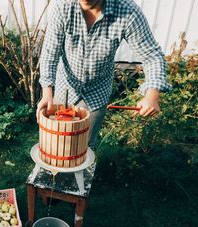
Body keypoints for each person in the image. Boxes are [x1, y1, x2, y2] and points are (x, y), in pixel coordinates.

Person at [36, 0, 171, 149]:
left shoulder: (127, 11)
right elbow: (50, 53)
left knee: (84, 147)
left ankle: (84, 172)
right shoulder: (63, 7)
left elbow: (152, 55)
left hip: (97, 94)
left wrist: (152, 95)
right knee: (54, 141)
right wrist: (47, 92)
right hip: (65, 88)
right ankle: (46, 171)